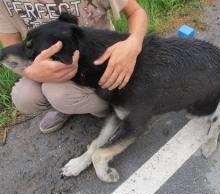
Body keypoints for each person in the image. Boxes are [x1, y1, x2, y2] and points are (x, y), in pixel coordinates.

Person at [0, 0, 147, 133]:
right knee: (24, 96)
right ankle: (69, 106)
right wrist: (32, 73)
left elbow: (135, 12)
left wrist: (133, 43)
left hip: (98, 66)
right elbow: (12, 47)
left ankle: (113, 108)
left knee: (58, 94)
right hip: (44, 66)